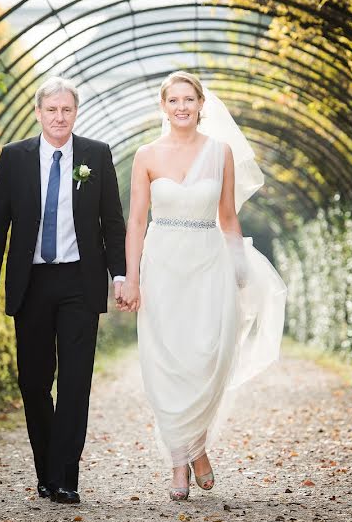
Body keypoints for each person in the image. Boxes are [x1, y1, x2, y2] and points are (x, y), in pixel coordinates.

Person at [118, 71, 286, 500]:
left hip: (209, 264)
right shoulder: (146, 155)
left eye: (188, 99)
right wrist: (132, 278)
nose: (181, 107)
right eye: (173, 100)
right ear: (163, 106)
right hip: (163, 268)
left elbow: (228, 217)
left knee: (207, 357)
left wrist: (239, 270)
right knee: (167, 362)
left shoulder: (221, 152)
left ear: (200, 104)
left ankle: (199, 446)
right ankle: (181, 460)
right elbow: (137, 221)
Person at [0, 76, 127, 504]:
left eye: (66, 110)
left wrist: (119, 275)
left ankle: (65, 476)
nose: (59, 117)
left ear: (75, 113)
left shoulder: (96, 155)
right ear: (38, 113)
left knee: (76, 381)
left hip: (81, 279)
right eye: (52, 110)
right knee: (34, 381)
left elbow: (111, 222)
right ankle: (47, 468)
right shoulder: (14, 158)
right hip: (33, 281)